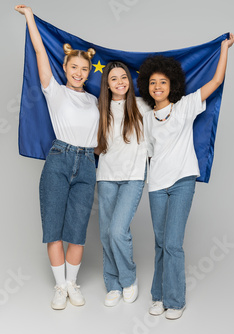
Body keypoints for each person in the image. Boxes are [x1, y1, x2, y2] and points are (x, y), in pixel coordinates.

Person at [137, 33, 234, 320]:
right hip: (156, 185)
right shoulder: (146, 116)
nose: (157, 86)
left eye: (163, 82)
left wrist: (223, 48)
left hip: (182, 181)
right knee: (158, 243)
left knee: (172, 243)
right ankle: (158, 296)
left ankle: (175, 300)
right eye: (153, 82)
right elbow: (149, 152)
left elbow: (215, 82)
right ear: (147, 86)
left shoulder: (184, 107)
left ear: (172, 85)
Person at [15, 5, 99, 310]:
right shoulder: (55, 92)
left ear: (89, 73)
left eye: (84, 69)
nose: (79, 73)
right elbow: (39, 52)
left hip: (88, 164)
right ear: (65, 68)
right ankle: (60, 286)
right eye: (74, 67)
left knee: (77, 230)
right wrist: (29, 18)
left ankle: (73, 284)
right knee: (53, 226)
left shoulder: (94, 100)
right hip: (59, 160)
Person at [95, 61, 150, 307]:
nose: (120, 82)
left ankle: (128, 279)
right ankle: (113, 283)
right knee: (107, 234)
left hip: (133, 176)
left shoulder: (142, 105)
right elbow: (95, 144)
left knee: (118, 230)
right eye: (114, 78)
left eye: (124, 77)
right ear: (107, 84)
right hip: (106, 175)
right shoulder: (99, 109)